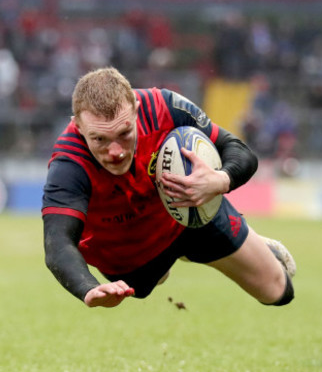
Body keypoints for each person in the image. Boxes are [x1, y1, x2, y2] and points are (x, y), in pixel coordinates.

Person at [42, 67, 296, 308]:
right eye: (100, 139)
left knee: (278, 292)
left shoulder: (163, 106)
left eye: (124, 133)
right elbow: (58, 244)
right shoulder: (68, 164)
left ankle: (216, 245)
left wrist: (220, 181)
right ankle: (182, 256)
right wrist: (88, 288)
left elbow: (239, 151)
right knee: (152, 281)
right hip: (131, 252)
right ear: (78, 125)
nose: (116, 152)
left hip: (193, 212)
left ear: (136, 111)